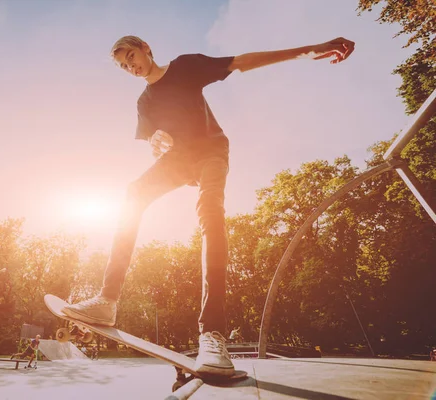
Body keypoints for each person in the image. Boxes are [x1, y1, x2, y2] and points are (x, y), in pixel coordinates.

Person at [62, 35, 355, 378]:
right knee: (132, 194)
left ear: (145, 47)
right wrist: (157, 141)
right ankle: (107, 301)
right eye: (124, 67)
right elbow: (153, 139)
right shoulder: (144, 102)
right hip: (177, 162)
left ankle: (212, 333)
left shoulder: (186, 66)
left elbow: (243, 60)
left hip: (211, 154)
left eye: (131, 57)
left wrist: (309, 49)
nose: (132, 67)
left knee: (211, 216)